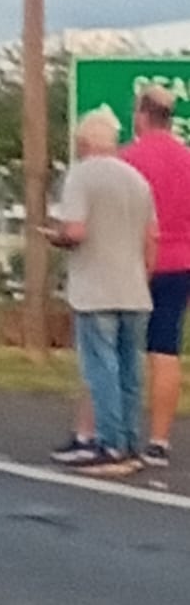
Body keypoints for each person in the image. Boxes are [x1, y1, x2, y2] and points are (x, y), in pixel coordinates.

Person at [43, 108, 157, 478]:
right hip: (133, 287)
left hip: (95, 288)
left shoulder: (82, 175)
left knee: (101, 369)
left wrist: (56, 237)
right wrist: (144, 276)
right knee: (129, 369)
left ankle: (109, 444)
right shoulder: (137, 179)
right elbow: (151, 238)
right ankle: (130, 442)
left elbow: (75, 231)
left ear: (84, 142)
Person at [117, 84, 190, 469]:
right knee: (166, 348)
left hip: (134, 262)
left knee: (120, 348)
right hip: (180, 262)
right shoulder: (186, 160)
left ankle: (117, 432)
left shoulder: (127, 161)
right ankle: (159, 441)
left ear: (141, 116)